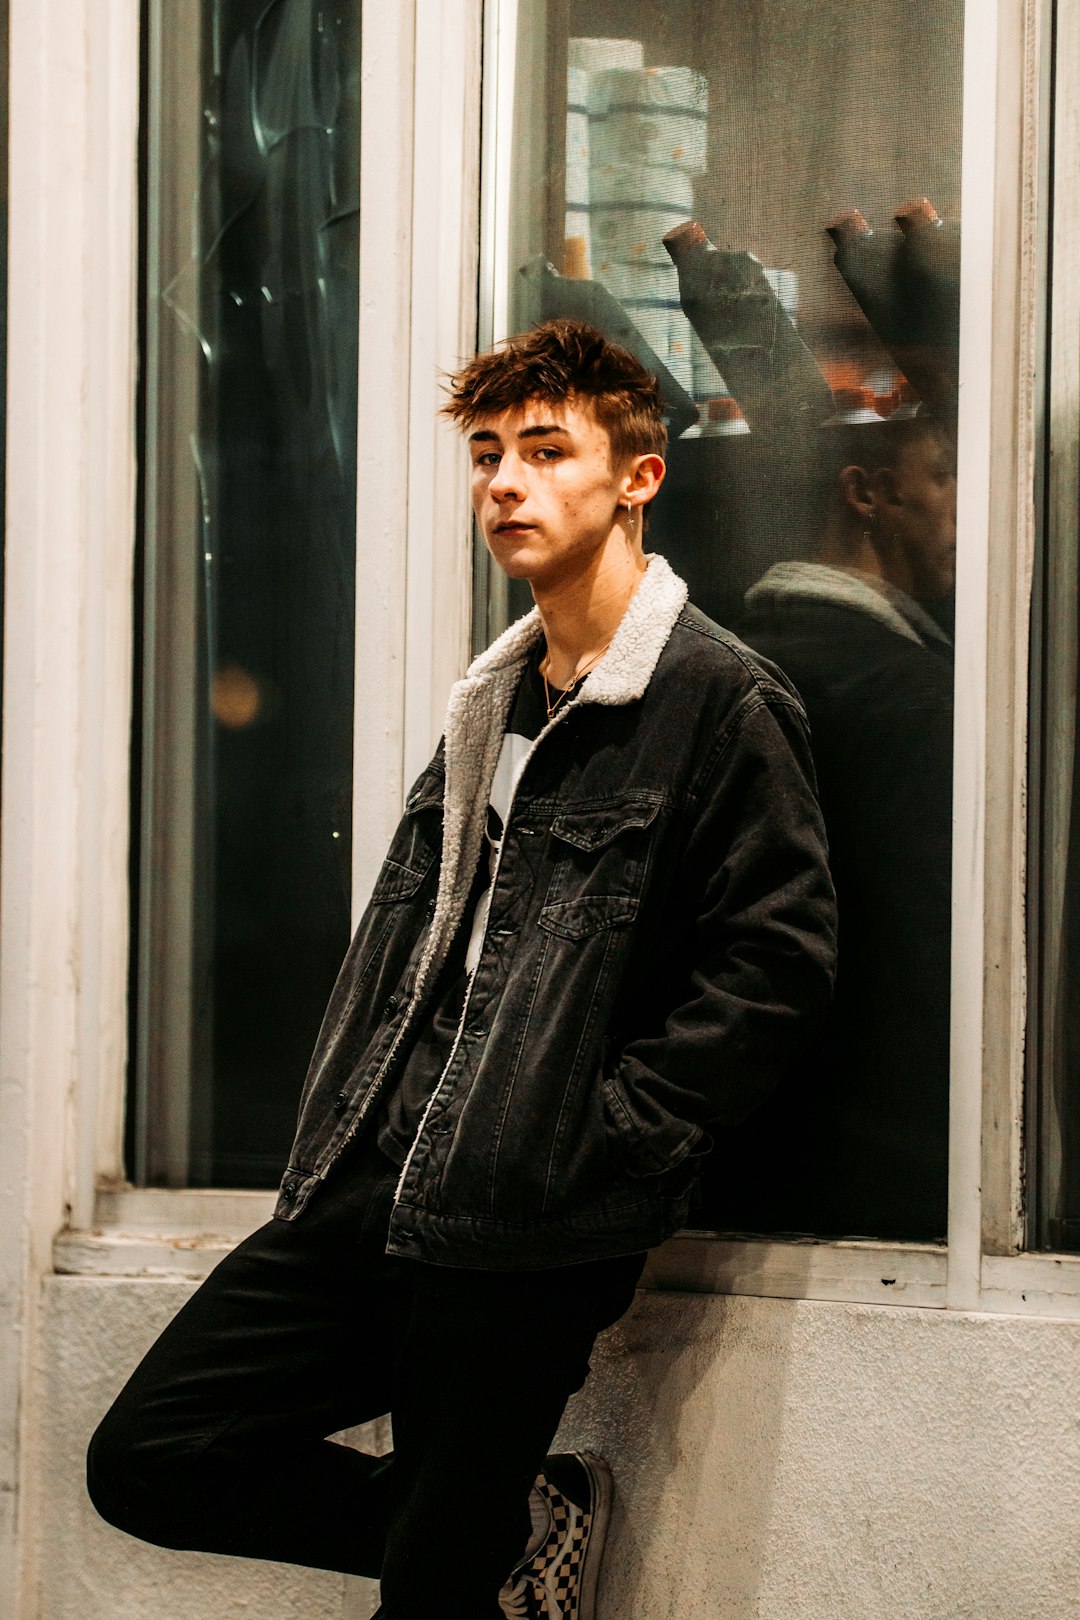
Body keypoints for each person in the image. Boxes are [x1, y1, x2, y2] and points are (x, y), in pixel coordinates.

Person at [86, 319, 836, 1620]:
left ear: (638, 477)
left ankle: (465, 1544)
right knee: (151, 1457)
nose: (505, 482)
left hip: (522, 1228)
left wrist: (599, 1143)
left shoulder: (721, 702)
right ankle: (497, 1532)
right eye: (488, 454)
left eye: (546, 451)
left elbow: (774, 966)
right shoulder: (487, 708)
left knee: (427, 1604)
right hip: (372, 1192)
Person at [715, 412, 956, 1241]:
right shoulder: (909, 694)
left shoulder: (732, 661)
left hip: (743, 1152)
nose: (968, 508)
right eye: (949, 474)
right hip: (878, 1173)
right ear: (866, 493)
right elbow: (927, 959)